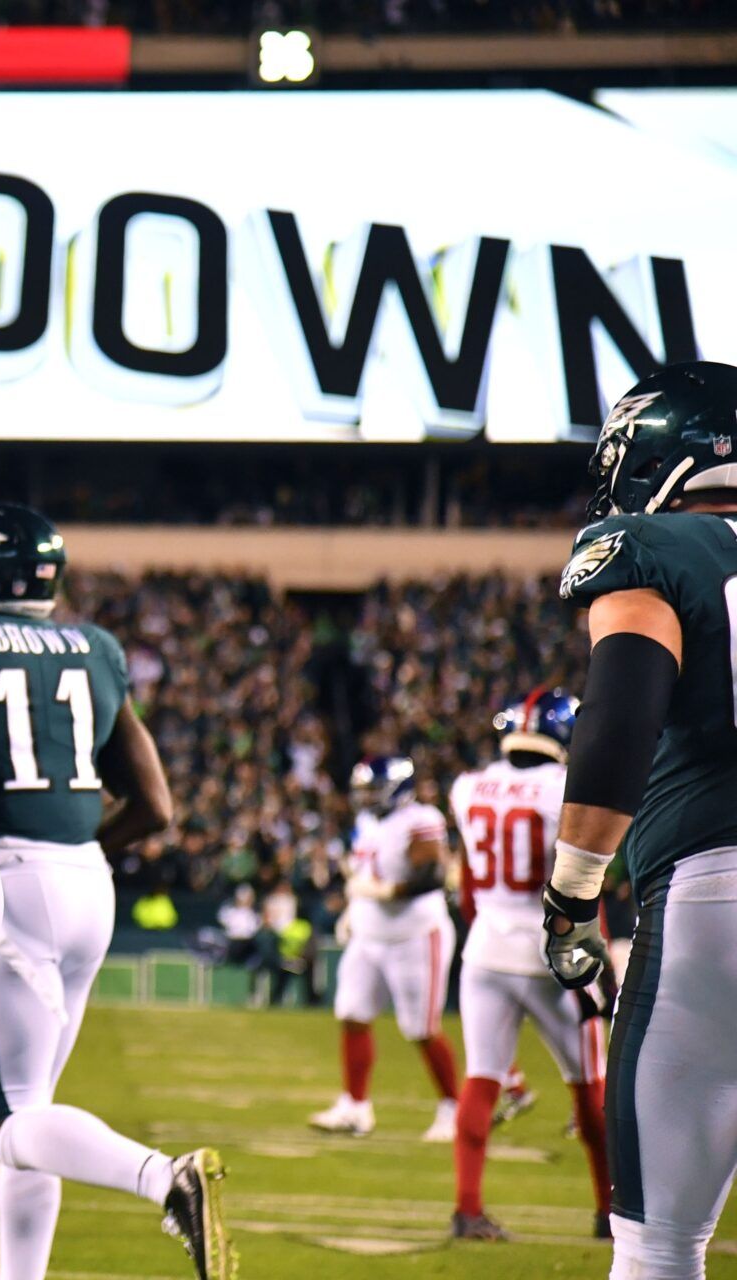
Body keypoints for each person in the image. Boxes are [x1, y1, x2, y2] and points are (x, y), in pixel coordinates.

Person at [0, 502, 230, 1280]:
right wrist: (77, 847)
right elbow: (156, 806)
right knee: (37, 1111)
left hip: (4, 884)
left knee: (7, 1122)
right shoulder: (95, 646)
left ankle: (164, 1178)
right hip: (87, 882)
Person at [546, 361, 737, 1278]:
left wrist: (573, 895)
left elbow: (618, 722)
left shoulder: (655, 549)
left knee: (661, 1247)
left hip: (717, 888)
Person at [445, 688, 610, 1241]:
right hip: (552, 953)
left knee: (481, 1079)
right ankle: (609, 1212)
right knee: (590, 1085)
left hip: (486, 948)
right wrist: (597, 959)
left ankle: (467, 1209)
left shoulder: (467, 788)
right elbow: (582, 880)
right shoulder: (565, 788)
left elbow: (468, 882)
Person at [310, 756, 460, 1141]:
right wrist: (354, 909)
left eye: (373, 790)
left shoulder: (420, 819)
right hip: (369, 933)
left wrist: (386, 891)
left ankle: (453, 1108)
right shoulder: (368, 822)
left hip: (414, 935)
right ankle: (356, 1107)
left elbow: (432, 876)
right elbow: (365, 873)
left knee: (421, 1028)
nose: (366, 798)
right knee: (352, 1013)